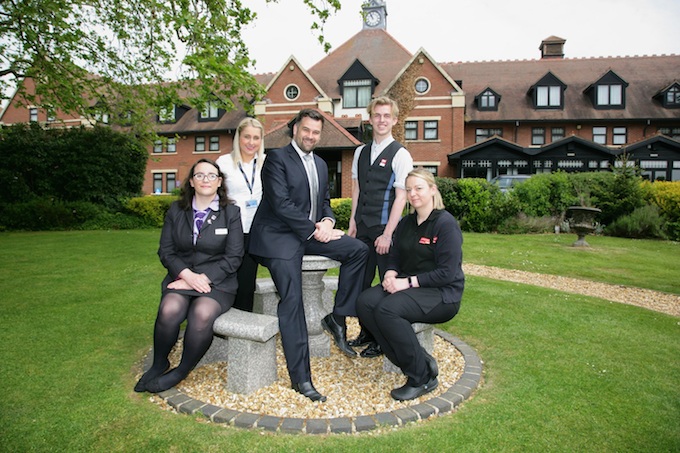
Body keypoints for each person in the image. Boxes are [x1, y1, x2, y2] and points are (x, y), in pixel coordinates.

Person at [249, 108, 368, 402]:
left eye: (316, 132)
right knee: (293, 300)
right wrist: (316, 230)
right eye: (306, 130)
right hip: (278, 236)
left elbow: (324, 201)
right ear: (295, 129)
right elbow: (281, 204)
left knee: (358, 251)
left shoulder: (320, 163)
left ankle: (337, 317)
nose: (311, 136)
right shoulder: (276, 159)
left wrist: (328, 222)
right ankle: (301, 379)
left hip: (310, 232)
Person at [134, 158, 244, 393]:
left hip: (218, 282)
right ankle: (159, 362)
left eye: (211, 175)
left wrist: (201, 278)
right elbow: (166, 251)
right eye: (200, 175)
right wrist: (186, 275)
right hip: (182, 278)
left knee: (201, 314)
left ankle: (181, 370)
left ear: (219, 182)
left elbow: (234, 257)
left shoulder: (231, 212)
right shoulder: (176, 210)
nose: (206, 179)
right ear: (192, 182)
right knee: (169, 308)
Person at [356, 168, 464, 401]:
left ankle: (421, 377)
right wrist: (391, 274)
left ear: (433, 190)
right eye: (409, 189)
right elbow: (394, 256)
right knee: (365, 302)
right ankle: (418, 359)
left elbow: (448, 272)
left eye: (419, 188)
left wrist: (406, 283)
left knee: (388, 310)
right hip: (409, 285)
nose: (413, 194)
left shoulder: (445, 224)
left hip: (442, 293)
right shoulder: (406, 223)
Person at [347, 96, 413, 358]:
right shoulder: (359, 152)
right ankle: (367, 331)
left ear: (395, 120)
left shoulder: (400, 154)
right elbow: (357, 188)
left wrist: (388, 234)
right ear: (370, 118)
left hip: (387, 230)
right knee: (361, 283)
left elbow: (401, 197)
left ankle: (383, 339)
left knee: (387, 284)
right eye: (377, 115)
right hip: (362, 228)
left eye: (387, 115)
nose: (382, 120)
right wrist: (352, 221)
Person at [216, 117, 265, 312]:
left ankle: (243, 328)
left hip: (256, 230)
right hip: (231, 230)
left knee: (247, 282)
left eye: (256, 137)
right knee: (228, 278)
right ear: (238, 137)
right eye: (247, 137)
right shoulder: (224, 163)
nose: (251, 142)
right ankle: (219, 321)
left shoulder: (265, 163)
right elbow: (215, 196)